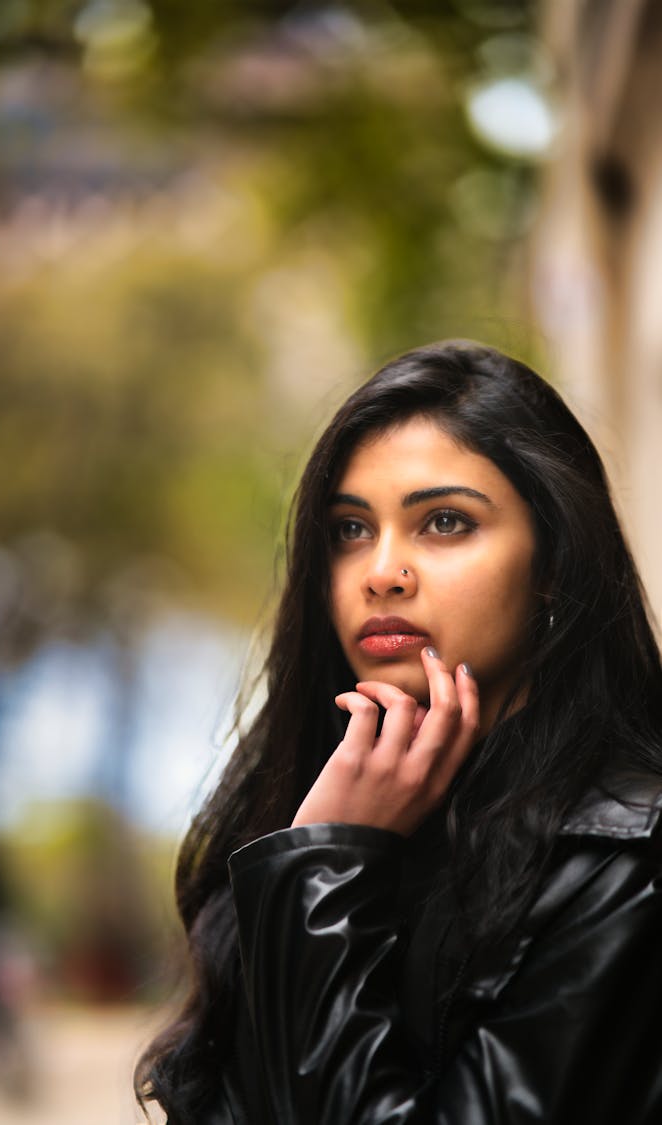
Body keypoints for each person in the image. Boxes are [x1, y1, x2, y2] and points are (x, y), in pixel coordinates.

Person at [136, 341, 662, 1124]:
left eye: (444, 522)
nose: (382, 570)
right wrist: (323, 847)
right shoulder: (296, 811)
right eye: (350, 529)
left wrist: (322, 872)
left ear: (552, 558)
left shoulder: (622, 856)